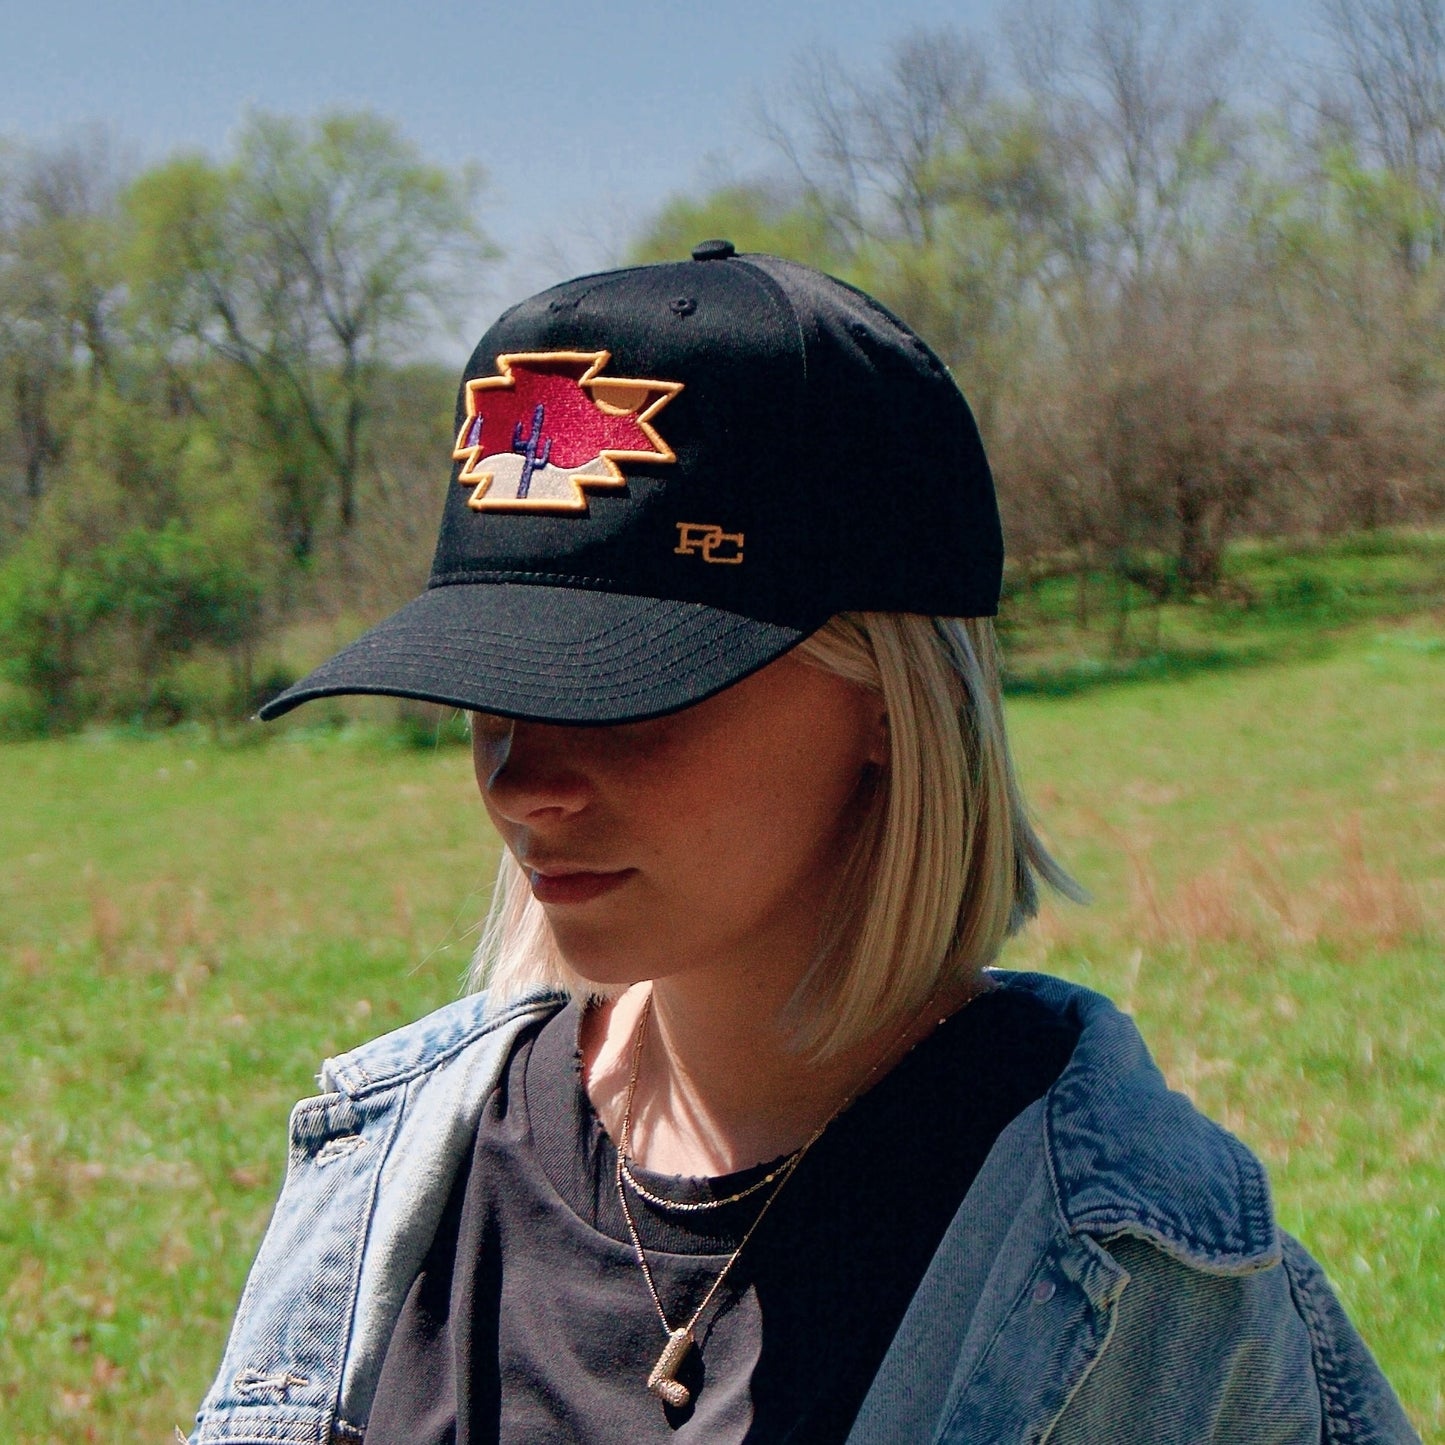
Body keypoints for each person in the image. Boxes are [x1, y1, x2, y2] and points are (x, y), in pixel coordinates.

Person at [188, 242, 1418, 1444]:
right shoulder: (395, 1158)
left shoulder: (1140, 1286)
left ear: (889, 702)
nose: (524, 783)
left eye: (624, 691)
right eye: (487, 693)